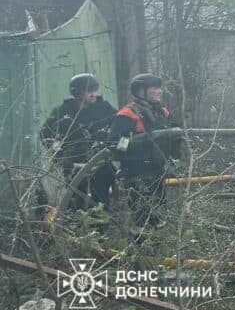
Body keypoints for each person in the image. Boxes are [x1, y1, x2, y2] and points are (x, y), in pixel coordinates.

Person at [109, 73, 179, 229]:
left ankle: (158, 246)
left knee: (160, 216)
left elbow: (174, 139)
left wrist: (175, 160)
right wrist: (139, 142)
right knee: (142, 219)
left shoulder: (162, 112)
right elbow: (115, 144)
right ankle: (142, 248)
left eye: (159, 88)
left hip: (158, 172)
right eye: (155, 88)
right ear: (141, 91)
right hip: (136, 175)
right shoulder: (127, 115)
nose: (160, 91)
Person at [39, 74, 117, 211]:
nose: (94, 94)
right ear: (77, 92)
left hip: (100, 161)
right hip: (74, 164)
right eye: (89, 90)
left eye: (95, 90)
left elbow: (118, 127)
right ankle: (77, 226)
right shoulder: (62, 111)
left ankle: (100, 228)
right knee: (76, 199)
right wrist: (58, 154)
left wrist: (110, 146)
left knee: (101, 198)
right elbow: (45, 134)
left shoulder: (104, 108)